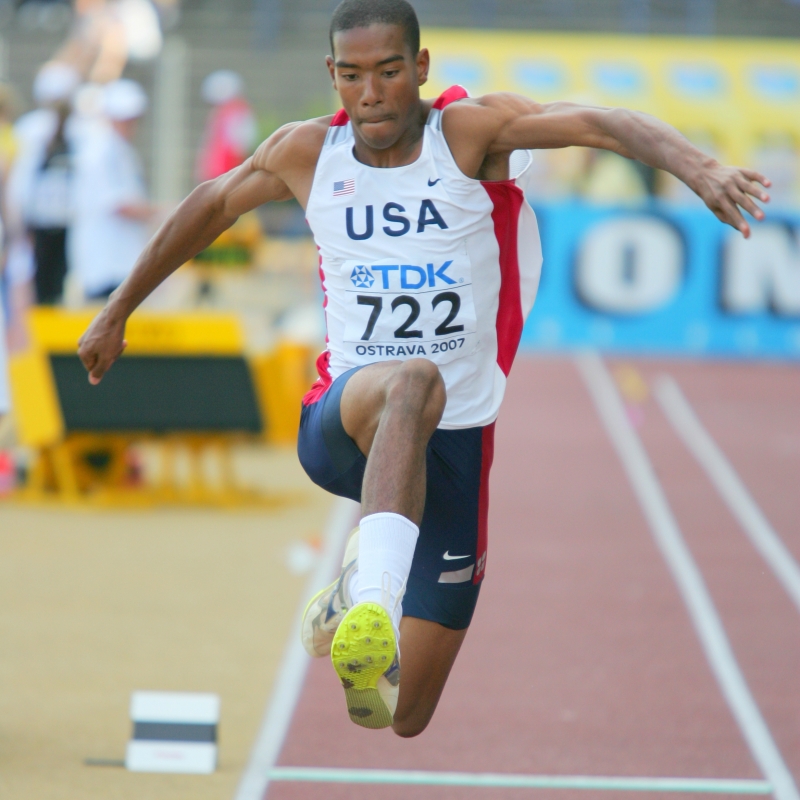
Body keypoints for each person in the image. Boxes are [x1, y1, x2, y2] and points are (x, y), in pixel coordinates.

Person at [77, 0, 771, 738]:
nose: (370, 93)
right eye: (352, 76)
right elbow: (213, 203)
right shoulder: (306, 153)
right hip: (349, 417)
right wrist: (118, 310)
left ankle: (352, 596)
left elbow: (599, 122)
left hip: (457, 442)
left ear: (421, 69)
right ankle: (373, 593)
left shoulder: (469, 135)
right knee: (413, 379)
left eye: (388, 72)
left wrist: (701, 168)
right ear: (332, 76)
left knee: (403, 717)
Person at [69, 78, 154, 301]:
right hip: (106, 261)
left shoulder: (118, 149)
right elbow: (119, 205)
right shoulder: (101, 150)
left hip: (120, 260)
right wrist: (165, 212)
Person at [195, 69, 258, 184]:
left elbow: (242, 143)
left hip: (227, 170)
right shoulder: (220, 113)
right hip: (216, 171)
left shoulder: (238, 111)